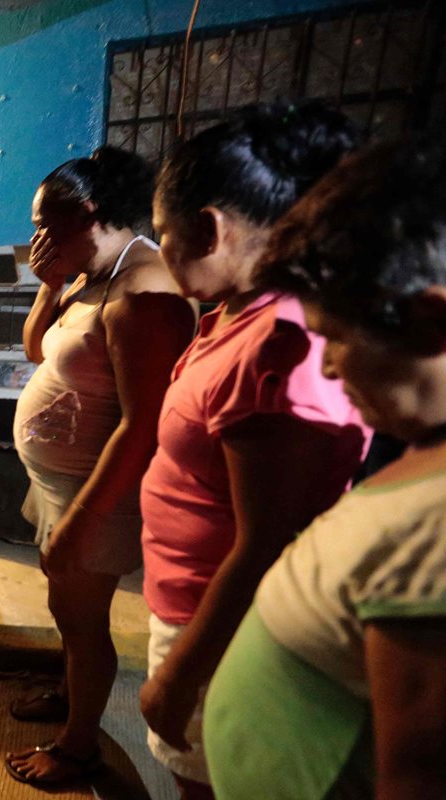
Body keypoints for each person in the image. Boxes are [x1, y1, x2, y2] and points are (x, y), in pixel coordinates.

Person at [138, 103, 370, 799]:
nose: (160, 255)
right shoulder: (234, 315)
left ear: (209, 229)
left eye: (162, 235)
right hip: (196, 606)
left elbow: (267, 536)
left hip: (225, 629)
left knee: (214, 783)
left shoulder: (278, 348)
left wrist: (180, 674)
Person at [204, 134, 446, 800]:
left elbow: (419, 774)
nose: (330, 365)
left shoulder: (436, 534)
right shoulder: (421, 458)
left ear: (430, 325)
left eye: (335, 337)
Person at [4, 148, 196, 788]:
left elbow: (142, 425)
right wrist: (50, 287)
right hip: (59, 484)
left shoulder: (145, 293)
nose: (36, 238)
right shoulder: (93, 274)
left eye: (44, 224)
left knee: (85, 625)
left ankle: (79, 745)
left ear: (88, 213)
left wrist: (83, 523)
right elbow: (36, 349)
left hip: (96, 495)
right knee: (67, 610)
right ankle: (70, 691)